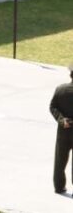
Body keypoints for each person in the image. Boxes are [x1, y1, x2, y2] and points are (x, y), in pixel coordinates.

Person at [51, 65, 73, 194]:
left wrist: (61, 119)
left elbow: (52, 106)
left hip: (63, 129)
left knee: (60, 159)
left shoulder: (60, 89)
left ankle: (59, 187)